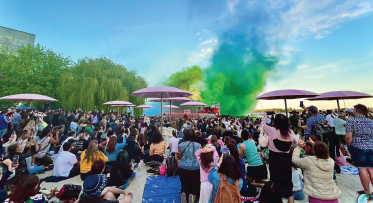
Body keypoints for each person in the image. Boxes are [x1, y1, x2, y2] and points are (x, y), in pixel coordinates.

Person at [262, 112, 295, 203]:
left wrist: (265, 117)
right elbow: (294, 142)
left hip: (274, 161)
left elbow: (262, 125)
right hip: (286, 161)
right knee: (288, 188)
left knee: (274, 185)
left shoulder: (272, 130)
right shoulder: (291, 132)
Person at [345, 104, 373, 195]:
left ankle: (367, 191)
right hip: (371, 146)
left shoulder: (351, 121)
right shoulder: (370, 121)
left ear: (356, 110)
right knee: (371, 169)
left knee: (362, 169)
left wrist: (348, 145)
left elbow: (348, 136)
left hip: (358, 147)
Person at [178, 129, 201, 203]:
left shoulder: (181, 145)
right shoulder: (198, 145)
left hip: (183, 168)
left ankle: (184, 193)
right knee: (195, 187)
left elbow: (178, 157)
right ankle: (193, 195)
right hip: (195, 169)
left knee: (185, 186)